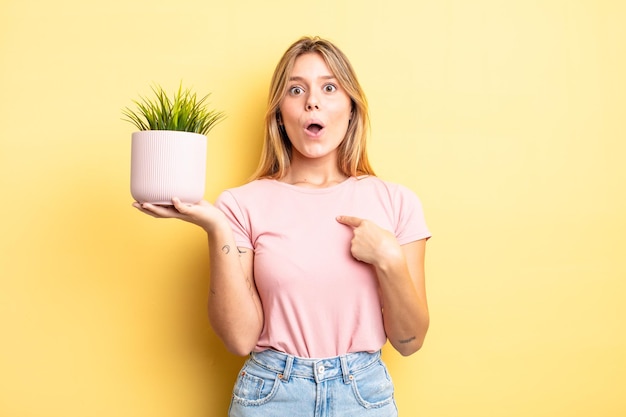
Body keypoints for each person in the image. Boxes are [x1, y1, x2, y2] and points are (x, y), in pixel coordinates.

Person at [134, 36, 431, 417]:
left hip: (363, 397)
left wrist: (389, 258)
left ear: (352, 108)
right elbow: (240, 339)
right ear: (280, 112)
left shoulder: (396, 202)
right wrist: (216, 229)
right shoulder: (241, 204)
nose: (312, 101)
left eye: (329, 87)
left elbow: (409, 341)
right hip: (271, 395)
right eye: (296, 89)